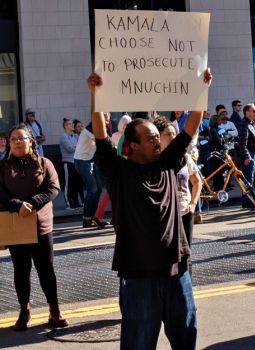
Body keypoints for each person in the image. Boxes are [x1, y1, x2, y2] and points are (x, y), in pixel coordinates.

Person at [87, 68, 211, 349]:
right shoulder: (117, 171)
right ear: (132, 145)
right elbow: (101, 137)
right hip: (138, 277)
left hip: (177, 272)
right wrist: (95, 96)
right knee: (139, 344)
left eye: (158, 135)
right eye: (150, 137)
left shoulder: (167, 162)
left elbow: (190, 127)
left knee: (185, 338)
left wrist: (201, 90)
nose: (158, 139)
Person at [0, 124, 68, 331]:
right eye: (13, 139)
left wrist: (32, 202)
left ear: (31, 140)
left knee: (46, 270)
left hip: (41, 226)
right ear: (9, 144)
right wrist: (17, 205)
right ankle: (24, 311)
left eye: (22, 138)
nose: (18, 142)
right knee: (21, 271)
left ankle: (54, 311)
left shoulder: (44, 163)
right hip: (16, 225)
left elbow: (53, 187)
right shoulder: (2, 166)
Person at [154, 116, 202, 273]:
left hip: (184, 211)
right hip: (166, 216)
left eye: (174, 133)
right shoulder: (154, 161)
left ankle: (186, 284)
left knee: (186, 254)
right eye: (168, 134)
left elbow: (197, 182)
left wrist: (193, 203)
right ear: (158, 137)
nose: (172, 137)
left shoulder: (185, 158)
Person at [74, 113, 111, 228]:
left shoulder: (101, 128)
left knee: (99, 188)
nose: (105, 118)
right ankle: (86, 219)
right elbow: (104, 141)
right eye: (103, 115)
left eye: (107, 115)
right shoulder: (90, 129)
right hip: (81, 161)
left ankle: (95, 217)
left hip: (90, 160)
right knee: (93, 188)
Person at [238, 103, 255, 208]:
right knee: (248, 181)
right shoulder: (243, 124)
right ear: (247, 113)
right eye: (253, 111)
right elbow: (242, 143)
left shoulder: (252, 123)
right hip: (249, 155)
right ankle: (248, 202)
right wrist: (246, 156)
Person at [59, 118, 82, 209]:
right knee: (68, 184)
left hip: (76, 162)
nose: (72, 125)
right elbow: (69, 149)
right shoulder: (63, 136)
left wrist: (76, 146)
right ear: (65, 126)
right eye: (69, 124)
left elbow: (82, 146)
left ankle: (76, 202)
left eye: (72, 123)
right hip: (67, 163)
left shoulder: (75, 136)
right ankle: (68, 203)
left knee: (75, 184)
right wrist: (77, 146)